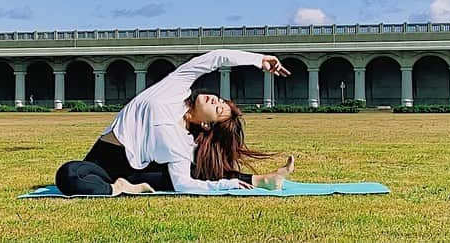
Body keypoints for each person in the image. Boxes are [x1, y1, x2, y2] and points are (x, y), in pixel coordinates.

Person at [55, 49, 294, 196]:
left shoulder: (180, 143)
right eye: (220, 100)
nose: (215, 100)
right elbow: (215, 58)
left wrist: (223, 186)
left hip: (135, 173)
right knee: (69, 174)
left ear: (207, 125)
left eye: (218, 109)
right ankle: (117, 188)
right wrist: (258, 60)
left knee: (193, 172)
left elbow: (184, 185)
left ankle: (263, 180)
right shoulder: (177, 86)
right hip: (103, 159)